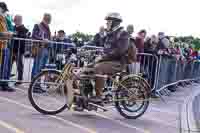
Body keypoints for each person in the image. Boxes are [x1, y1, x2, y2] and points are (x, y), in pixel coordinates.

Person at [75, 12, 130, 111]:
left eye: (109, 22)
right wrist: (83, 48)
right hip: (106, 60)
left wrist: (104, 57)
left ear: (115, 22)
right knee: (86, 70)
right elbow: (96, 42)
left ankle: (99, 96)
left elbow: (120, 50)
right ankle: (84, 98)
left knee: (98, 68)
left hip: (118, 62)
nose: (107, 24)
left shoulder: (123, 34)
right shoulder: (109, 34)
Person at [31, 13, 51, 93]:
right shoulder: (38, 25)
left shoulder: (47, 27)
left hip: (46, 49)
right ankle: (34, 86)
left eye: (49, 18)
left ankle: (38, 85)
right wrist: (42, 39)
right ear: (44, 18)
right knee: (37, 68)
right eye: (48, 17)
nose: (49, 19)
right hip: (40, 49)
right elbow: (33, 36)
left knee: (41, 69)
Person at [0, 2, 14, 92]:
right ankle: (3, 84)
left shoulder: (3, 19)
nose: (5, 12)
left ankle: (4, 83)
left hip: (5, 45)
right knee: (3, 66)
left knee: (6, 67)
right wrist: (7, 34)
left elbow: (6, 30)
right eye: (4, 10)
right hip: (1, 46)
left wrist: (8, 33)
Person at [12, 15, 29, 86]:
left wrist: (15, 34)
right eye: (15, 19)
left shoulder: (23, 29)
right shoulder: (13, 27)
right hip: (12, 49)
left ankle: (19, 80)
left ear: (20, 20)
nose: (15, 20)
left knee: (19, 65)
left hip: (19, 50)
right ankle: (5, 77)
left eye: (16, 19)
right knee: (9, 64)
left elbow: (22, 37)